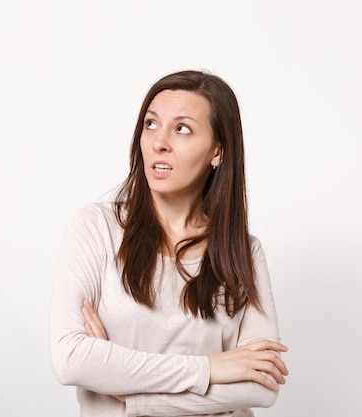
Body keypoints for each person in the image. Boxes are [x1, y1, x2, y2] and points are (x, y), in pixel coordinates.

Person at [49, 70, 289, 417]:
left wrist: (129, 394)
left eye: (182, 128)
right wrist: (210, 368)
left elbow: (261, 385)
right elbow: (71, 359)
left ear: (218, 151)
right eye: (151, 124)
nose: (159, 141)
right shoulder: (96, 228)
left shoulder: (243, 253)